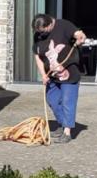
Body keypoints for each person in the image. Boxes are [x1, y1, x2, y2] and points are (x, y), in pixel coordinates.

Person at [32, 14, 86, 143]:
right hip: (51, 76)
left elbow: (79, 35)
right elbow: (37, 56)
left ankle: (67, 132)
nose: (41, 34)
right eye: (39, 32)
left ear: (50, 24)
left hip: (69, 74)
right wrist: (43, 75)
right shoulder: (38, 35)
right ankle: (62, 124)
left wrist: (80, 39)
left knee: (68, 101)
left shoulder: (64, 25)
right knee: (53, 101)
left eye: (43, 31)